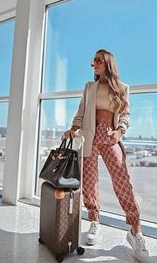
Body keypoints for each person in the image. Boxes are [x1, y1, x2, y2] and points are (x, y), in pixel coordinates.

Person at [63, 49, 149, 263]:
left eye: (98, 61)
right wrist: (73, 128)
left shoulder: (122, 88)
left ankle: (135, 231)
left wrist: (120, 131)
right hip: (89, 137)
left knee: (122, 181)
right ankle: (94, 221)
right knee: (89, 182)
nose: (94, 64)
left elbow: (126, 115)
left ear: (108, 63)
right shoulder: (89, 87)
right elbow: (81, 112)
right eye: (93, 61)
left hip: (110, 137)